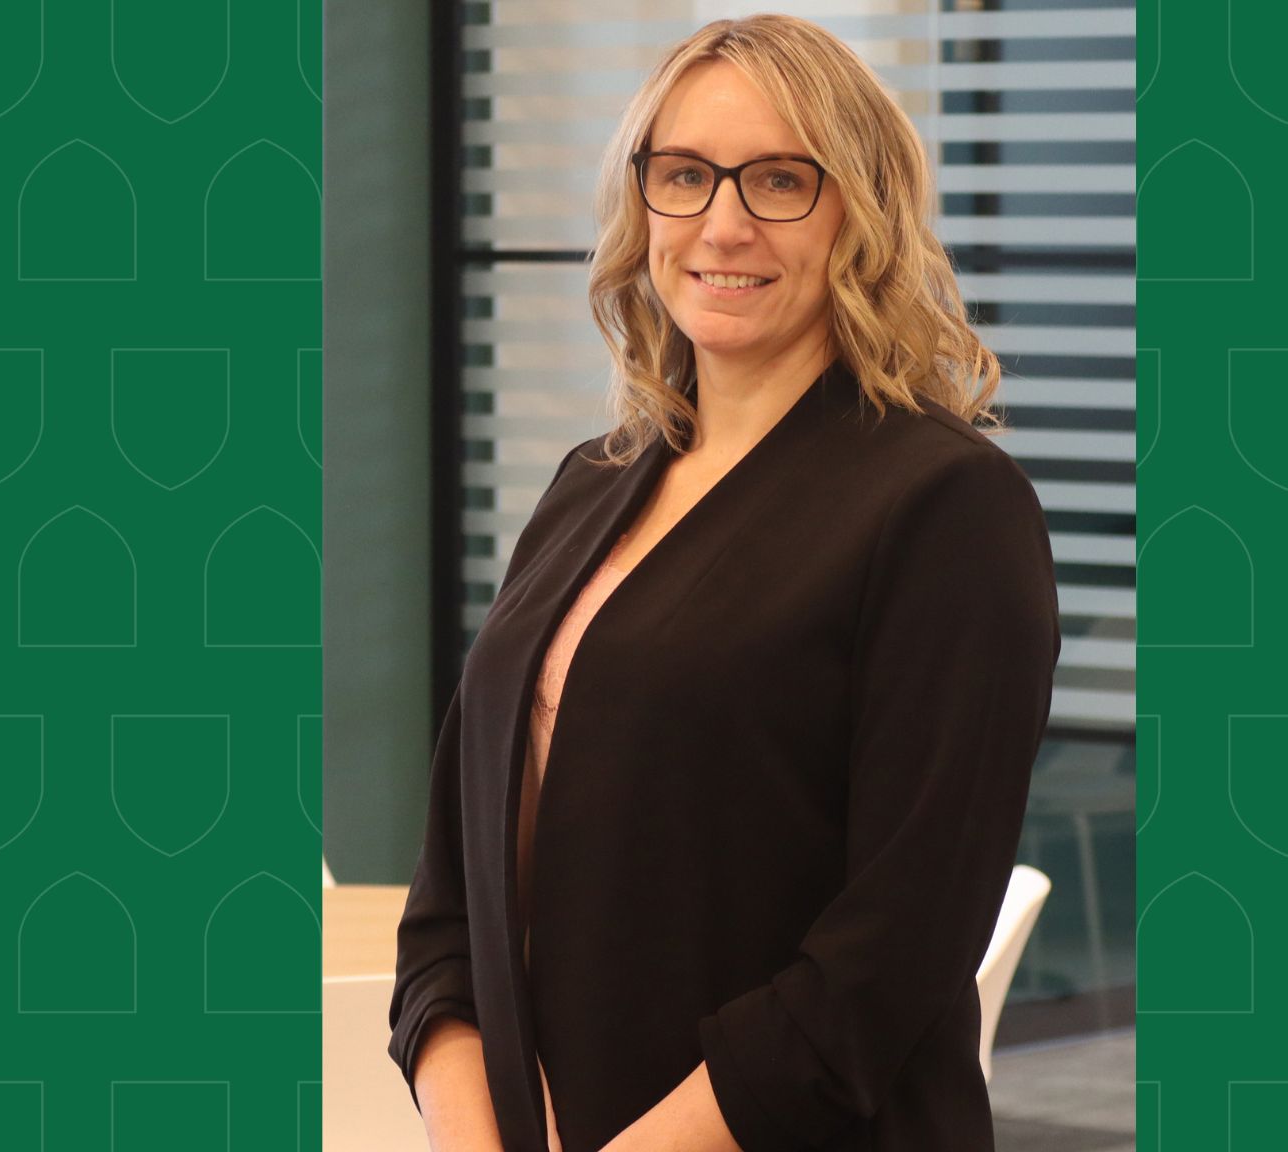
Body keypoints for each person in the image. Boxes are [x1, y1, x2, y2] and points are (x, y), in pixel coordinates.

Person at [387, 14, 1060, 1151]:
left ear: (860, 211)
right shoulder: (586, 484)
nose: (722, 223)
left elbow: (888, 958)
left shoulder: (944, 508)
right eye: (684, 175)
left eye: (780, 181)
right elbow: (450, 907)